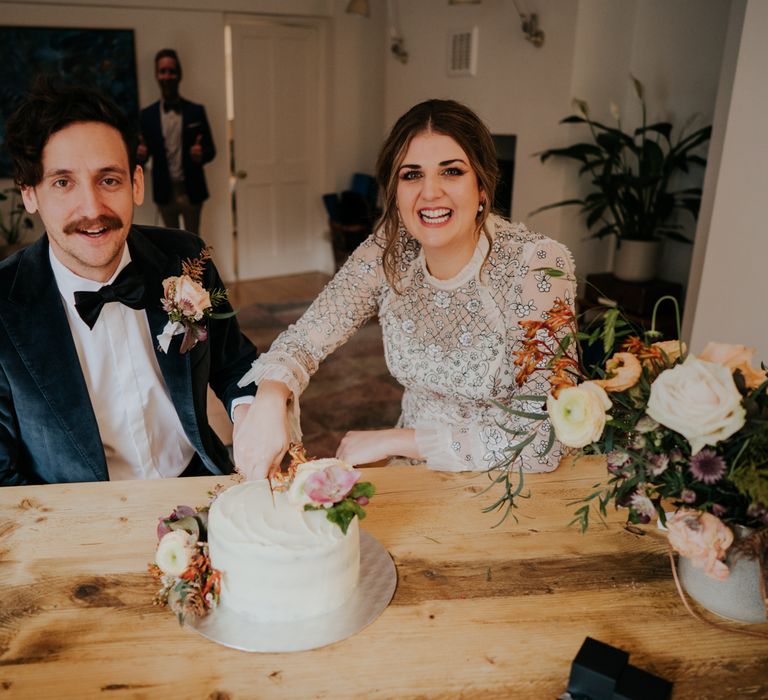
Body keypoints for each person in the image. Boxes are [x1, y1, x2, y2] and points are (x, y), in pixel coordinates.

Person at [233, 99, 576, 479]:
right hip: (412, 476)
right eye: (412, 175)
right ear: (394, 192)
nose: (430, 192)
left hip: (510, 483)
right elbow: (305, 339)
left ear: (482, 187)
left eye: (451, 172)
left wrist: (400, 441)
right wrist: (269, 396)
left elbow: (544, 435)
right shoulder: (388, 250)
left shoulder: (537, 265)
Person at [0, 82, 257, 486]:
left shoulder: (187, 260)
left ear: (136, 183)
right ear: (29, 193)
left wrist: (249, 414)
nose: (92, 210)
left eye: (109, 180)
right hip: (80, 517)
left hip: (197, 484)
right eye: (63, 182)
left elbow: (235, 363)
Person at [137, 48, 215, 235]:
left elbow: (211, 150)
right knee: (172, 245)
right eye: (162, 71)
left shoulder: (196, 111)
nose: (167, 76)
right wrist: (140, 155)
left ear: (179, 74)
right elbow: (141, 154)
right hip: (164, 192)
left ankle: (197, 267)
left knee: (194, 243)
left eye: (171, 71)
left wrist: (200, 155)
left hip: (192, 191)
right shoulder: (146, 116)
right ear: (157, 75)